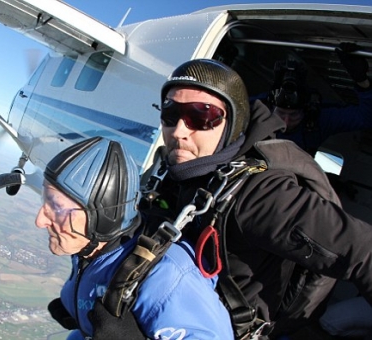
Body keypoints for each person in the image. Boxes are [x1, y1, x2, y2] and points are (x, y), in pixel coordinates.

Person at [90, 59, 372, 340]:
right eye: (170, 113)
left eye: (201, 116)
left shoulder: (259, 196)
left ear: (232, 124)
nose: (179, 131)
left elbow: (363, 251)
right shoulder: (172, 171)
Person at [35, 136, 234, 339]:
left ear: (101, 216)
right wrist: (77, 306)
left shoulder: (167, 278)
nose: (40, 220)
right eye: (45, 201)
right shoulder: (91, 246)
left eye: (57, 208)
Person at [269, 43, 372, 156]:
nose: (286, 122)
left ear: (305, 110)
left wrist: (362, 81)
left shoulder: (319, 118)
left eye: (294, 115)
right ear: (271, 108)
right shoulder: (255, 108)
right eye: (281, 113)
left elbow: (365, 118)